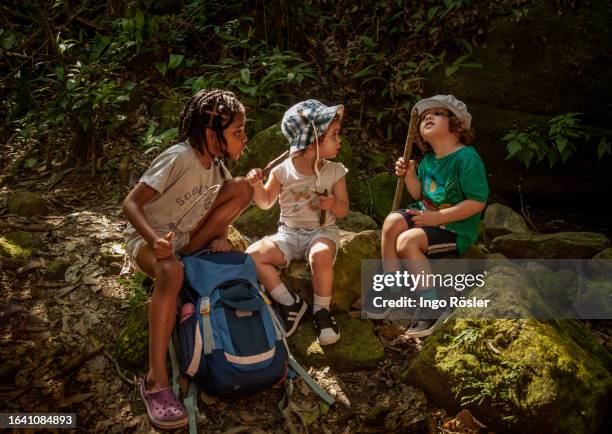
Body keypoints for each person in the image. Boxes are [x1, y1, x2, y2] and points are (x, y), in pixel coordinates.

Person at [122, 89, 251, 430]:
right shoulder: (179, 157)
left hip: (185, 242)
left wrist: (220, 235)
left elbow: (222, 203)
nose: (244, 139)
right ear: (211, 136)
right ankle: (156, 380)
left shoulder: (217, 167)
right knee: (171, 273)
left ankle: (196, 253)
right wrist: (154, 240)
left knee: (243, 188)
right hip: (149, 242)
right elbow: (131, 204)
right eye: (237, 132)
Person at [371, 95, 488, 337]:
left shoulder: (466, 157)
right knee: (392, 220)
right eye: (425, 116)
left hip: (455, 228)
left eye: (437, 113)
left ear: (456, 124)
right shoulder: (427, 161)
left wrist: (438, 218)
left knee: (407, 241)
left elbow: (478, 202)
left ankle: (431, 306)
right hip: (428, 217)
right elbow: (421, 193)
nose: (428, 117)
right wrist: (411, 175)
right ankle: (390, 288)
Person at [245, 100, 349, 345]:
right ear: (313, 141)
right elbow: (265, 202)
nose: (339, 140)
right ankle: (290, 303)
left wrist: (332, 203)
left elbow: (343, 210)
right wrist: (256, 185)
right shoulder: (283, 170)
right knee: (251, 256)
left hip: (321, 232)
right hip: (288, 234)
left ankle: (322, 311)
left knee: (320, 255)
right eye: (334, 135)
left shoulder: (335, 171)